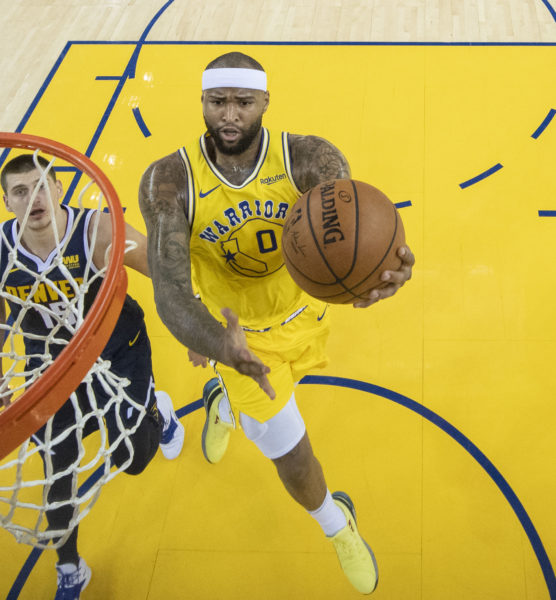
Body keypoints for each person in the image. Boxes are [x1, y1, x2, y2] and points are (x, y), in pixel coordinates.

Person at [137, 52, 415, 595]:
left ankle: (222, 402)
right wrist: (222, 346)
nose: (230, 115)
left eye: (244, 101)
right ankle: (336, 524)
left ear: (266, 101)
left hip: (304, 313)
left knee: (276, 416)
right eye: (218, 102)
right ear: (202, 103)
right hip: (237, 338)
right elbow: (169, 291)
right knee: (293, 453)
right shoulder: (169, 180)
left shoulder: (310, 160)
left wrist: (389, 268)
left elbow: (355, 234)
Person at [0, 153, 185, 600]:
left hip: (117, 353)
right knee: (57, 470)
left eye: (42, 186)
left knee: (135, 459)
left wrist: (192, 331)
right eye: (21, 191)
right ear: (7, 202)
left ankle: (159, 413)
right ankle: (69, 564)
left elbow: (165, 274)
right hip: (51, 369)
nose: (34, 198)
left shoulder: (99, 232)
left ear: (59, 189)